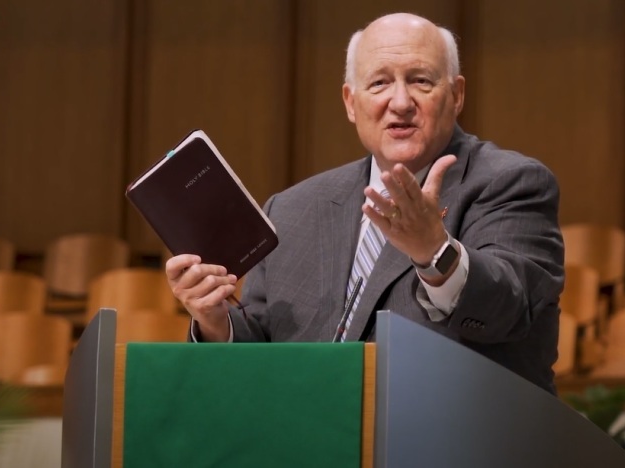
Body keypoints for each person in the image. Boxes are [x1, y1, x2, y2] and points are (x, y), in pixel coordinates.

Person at [165, 12, 564, 394]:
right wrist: (214, 321)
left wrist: (435, 253)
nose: (401, 101)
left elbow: (512, 311)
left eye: (421, 80)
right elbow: (263, 357)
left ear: (456, 95)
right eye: (379, 83)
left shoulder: (511, 183)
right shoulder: (290, 210)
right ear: (350, 102)